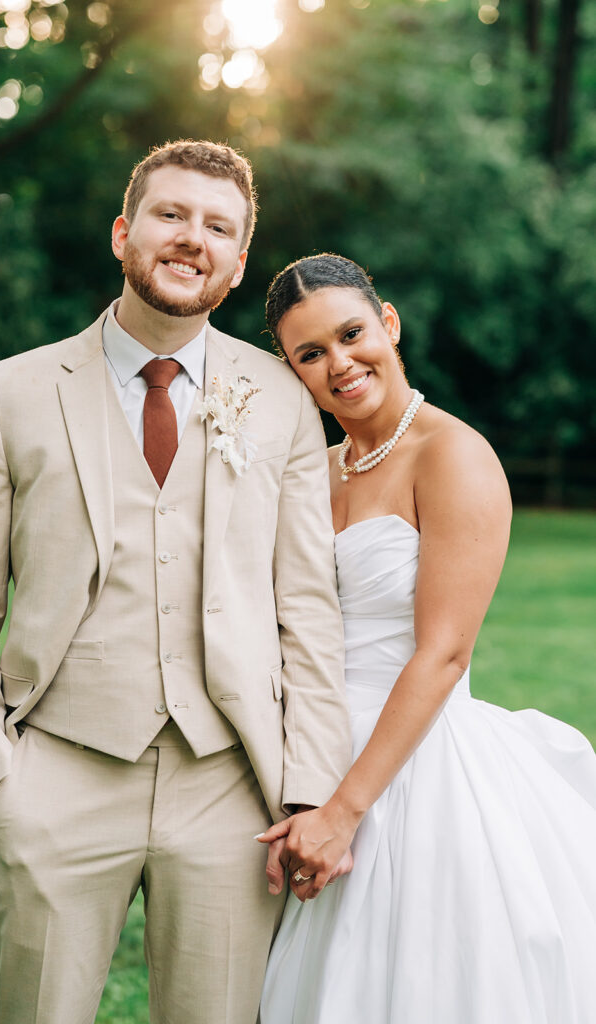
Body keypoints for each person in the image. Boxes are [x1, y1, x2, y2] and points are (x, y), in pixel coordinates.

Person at [0, 143, 352, 1024]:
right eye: (171, 215)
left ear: (235, 266)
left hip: (228, 788)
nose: (192, 238)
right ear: (124, 233)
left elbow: (307, 610)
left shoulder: (279, 399)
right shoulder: (8, 394)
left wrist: (307, 787)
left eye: (218, 227)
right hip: (57, 773)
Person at [258, 253, 596, 1024]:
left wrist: (345, 810)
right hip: (311, 756)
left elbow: (443, 653)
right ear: (294, 372)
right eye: (311, 353)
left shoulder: (454, 455)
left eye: (351, 334)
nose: (339, 363)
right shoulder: (317, 466)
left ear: (389, 324)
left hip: (412, 772)